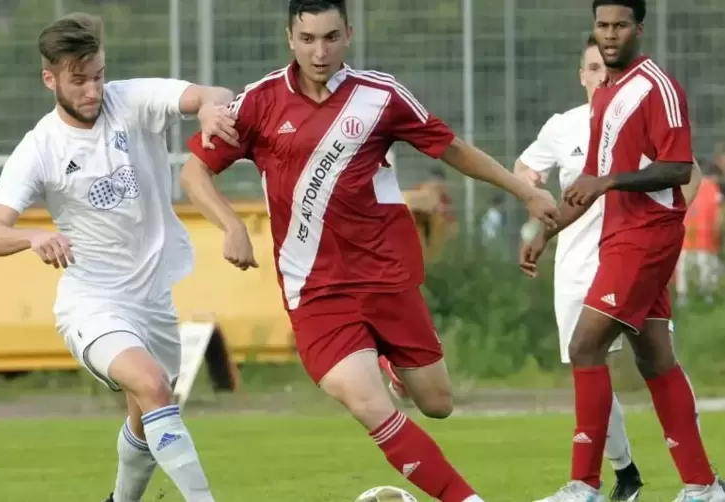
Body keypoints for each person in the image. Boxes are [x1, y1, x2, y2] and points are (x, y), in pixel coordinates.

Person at [179, 1, 559, 501]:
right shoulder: (259, 102)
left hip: (384, 276)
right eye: (309, 38)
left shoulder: (380, 97)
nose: (320, 51)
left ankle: (383, 359)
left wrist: (525, 191)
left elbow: (453, 149)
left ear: (348, 35)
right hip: (314, 288)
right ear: (291, 38)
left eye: (331, 37)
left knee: (438, 402)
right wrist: (230, 225)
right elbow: (193, 171)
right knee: (368, 405)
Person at [0, 12, 241, 502]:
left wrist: (208, 108)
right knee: (153, 388)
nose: (93, 91)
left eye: (98, 75)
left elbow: (210, 94)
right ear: (49, 78)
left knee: (147, 415)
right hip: (93, 302)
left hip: (154, 300)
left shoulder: (130, 100)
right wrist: (33, 238)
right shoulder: (40, 148)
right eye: (79, 81)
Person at [520, 1, 725, 501]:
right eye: (602, 25)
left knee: (585, 346)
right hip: (620, 236)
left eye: (620, 26)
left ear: (639, 28)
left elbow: (678, 169)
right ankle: (703, 487)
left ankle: (584, 487)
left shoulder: (658, 88)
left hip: (648, 237)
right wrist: (546, 232)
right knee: (656, 358)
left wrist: (611, 180)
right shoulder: (608, 94)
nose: (610, 35)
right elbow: (586, 186)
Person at [677, 162, 723, 306]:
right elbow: (720, 214)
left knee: (683, 268)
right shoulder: (713, 188)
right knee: (706, 267)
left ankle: (682, 297)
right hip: (706, 236)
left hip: (687, 235)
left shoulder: (687, 185)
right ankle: (706, 295)